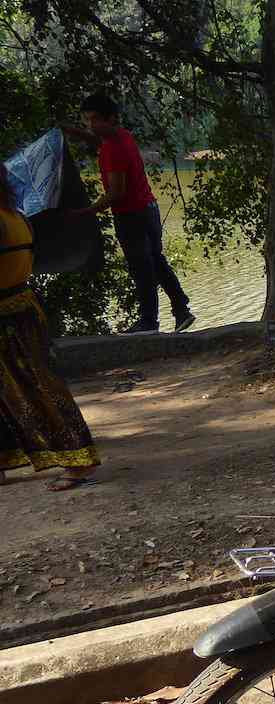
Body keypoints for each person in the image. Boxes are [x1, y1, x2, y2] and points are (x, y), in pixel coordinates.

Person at [0, 173, 102, 490]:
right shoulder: (15, 215)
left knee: (42, 386)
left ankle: (79, 461)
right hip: (22, 308)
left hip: (9, 316)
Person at [63, 93, 195, 335]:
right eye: (87, 121)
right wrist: (72, 132)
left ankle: (148, 322)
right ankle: (181, 309)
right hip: (149, 209)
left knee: (142, 268)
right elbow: (98, 141)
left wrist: (85, 212)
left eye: (95, 120)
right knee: (156, 261)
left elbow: (116, 193)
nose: (91, 125)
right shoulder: (122, 136)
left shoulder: (114, 148)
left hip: (131, 215)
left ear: (111, 118)